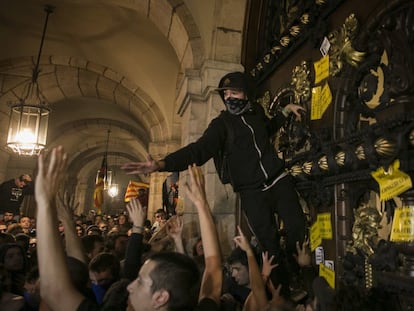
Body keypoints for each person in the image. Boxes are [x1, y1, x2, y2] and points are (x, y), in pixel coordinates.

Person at [121, 71, 306, 297]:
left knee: (297, 227)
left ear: (247, 94)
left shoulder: (256, 112)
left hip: (278, 179)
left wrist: (285, 112)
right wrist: (161, 164)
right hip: (251, 192)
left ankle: (303, 275)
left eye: (234, 92)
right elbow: (198, 151)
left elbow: (265, 129)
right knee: (270, 246)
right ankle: (283, 295)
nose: (229, 97)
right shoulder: (221, 125)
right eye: (226, 93)